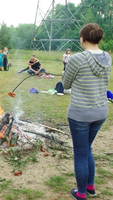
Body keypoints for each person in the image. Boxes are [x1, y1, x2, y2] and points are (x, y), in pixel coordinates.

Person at [62, 23, 111, 200]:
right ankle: (90, 187)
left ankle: (81, 194)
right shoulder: (107, 57)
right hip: (100, 112)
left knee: (81, 153)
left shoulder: (77, 59)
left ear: (83, 39)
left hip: (80, 114)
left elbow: (65, 84)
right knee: (86, 149)